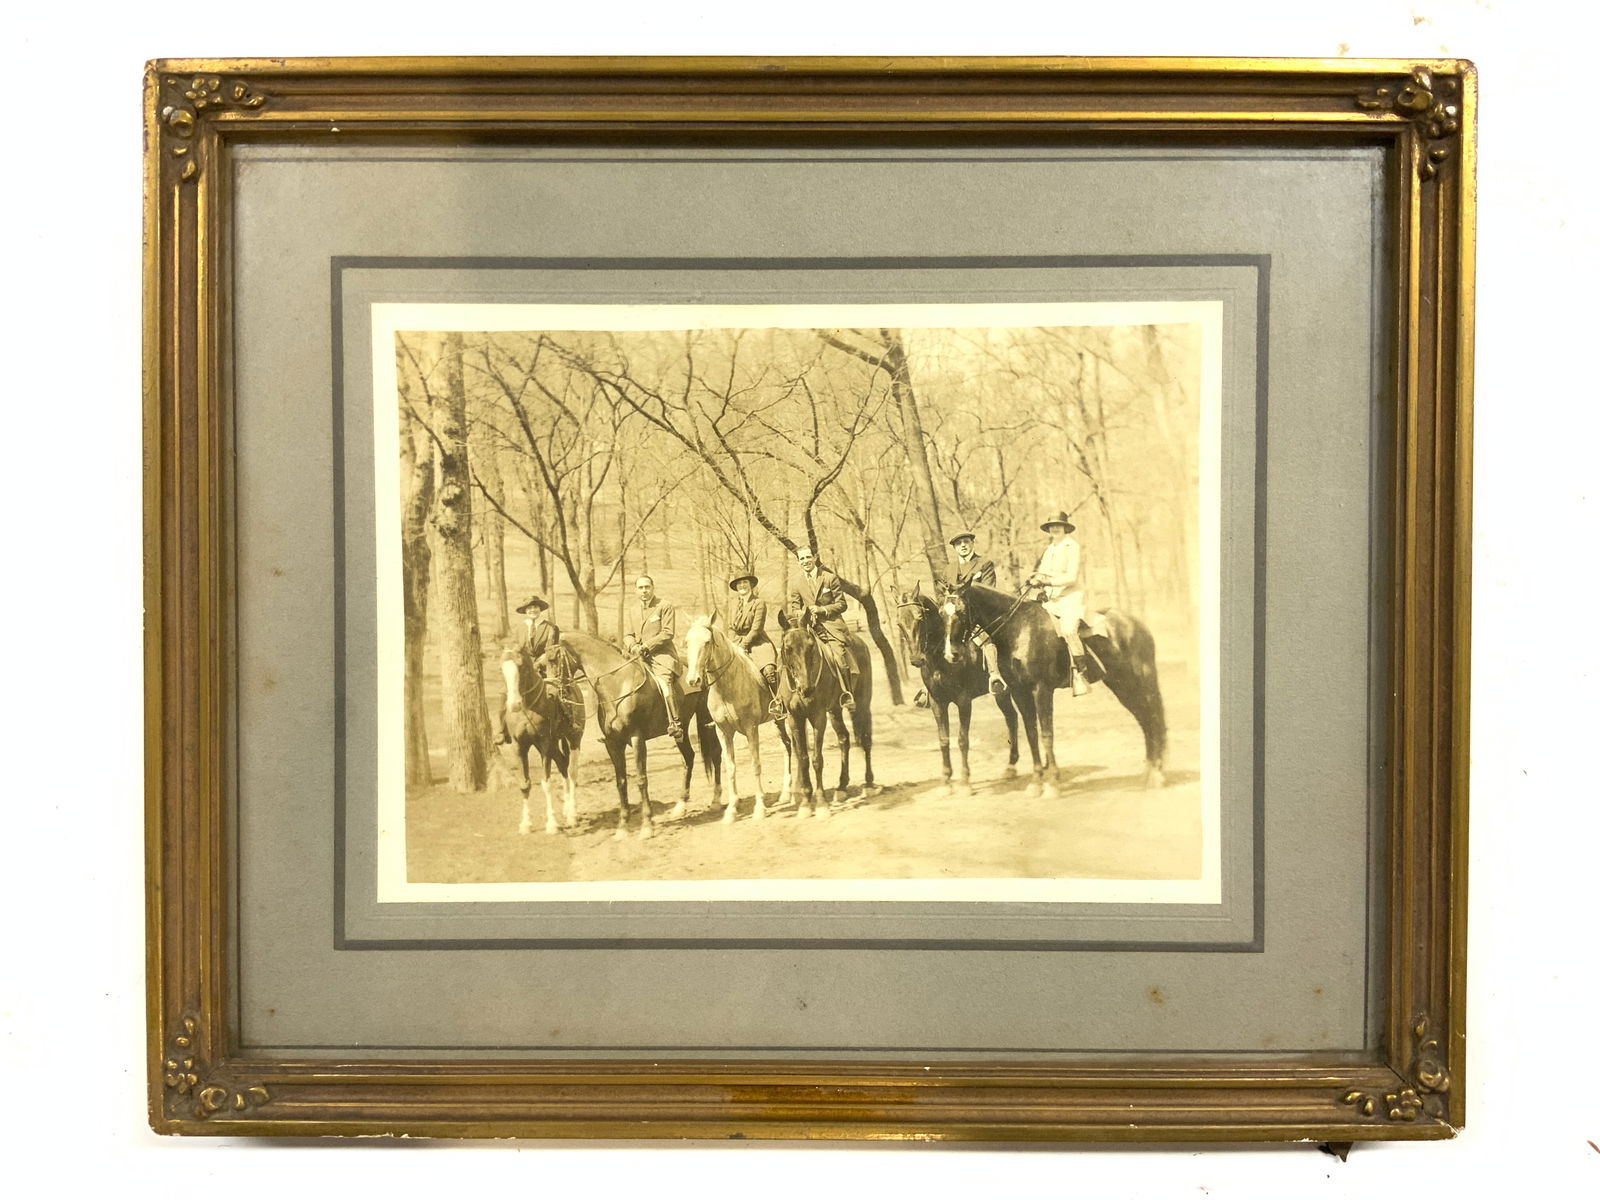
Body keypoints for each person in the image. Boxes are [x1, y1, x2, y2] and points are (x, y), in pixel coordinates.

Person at [1024, 511, 1093, 697]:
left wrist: (1047, 582)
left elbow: (1071, 578)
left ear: (1065, 528)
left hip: (1070, 598)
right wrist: (1035, 578)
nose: (1055, 528)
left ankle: (1081, 673)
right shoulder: (1049, 549)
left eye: (1058, 525)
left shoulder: (1073, 547)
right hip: (1051, 599)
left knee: (1069, 630)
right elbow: (1044, 573)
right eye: (1051, 526)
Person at [787, 545, 859, 709]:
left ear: (814, 557)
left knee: (840, 659)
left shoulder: (829, 578)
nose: (805, 561)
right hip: (808, 628)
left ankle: (847, 695)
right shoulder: (796, 583)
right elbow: (795, 607)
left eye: (808, 557)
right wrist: (802, 613)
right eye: (802, 558)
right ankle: (787, 698)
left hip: (831, 626)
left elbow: (842, 604)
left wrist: (822, 610)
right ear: (798, 562)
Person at [624, 574, 685, 739]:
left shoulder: (664, 606)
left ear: (653, 588)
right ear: (636, 590)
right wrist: (633, 646)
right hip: (638, 657)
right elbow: (628, 634)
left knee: (664, 683)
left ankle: (675, 723)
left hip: (661, 655)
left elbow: (667, 633)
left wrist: (646, 646)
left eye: (647, 587)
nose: (644, 591)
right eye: (640, 587)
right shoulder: (632, 610)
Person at [947, 531, 1005, 695]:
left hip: (976, 616)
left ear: (972, 543)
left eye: (966, 541)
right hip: (955, 617)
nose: (963, 545)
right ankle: (930, 685)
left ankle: (995, 676)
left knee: (986, 638)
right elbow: (944, 595)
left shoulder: (984, 564)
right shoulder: (949, 569)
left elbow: (988, 592)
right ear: (954, 548)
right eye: (958, 544)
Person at [497, 594, 560, 744]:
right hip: (523, 670)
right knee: (503, 693)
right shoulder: (520, 628)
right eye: (529, 608)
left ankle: (560, 725)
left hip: (545, 669)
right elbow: (514, 647)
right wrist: (513, 658)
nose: (533, 610)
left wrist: (540, 662)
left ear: (540, 609)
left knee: (555, 693)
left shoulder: (550, 628)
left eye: (535, 607)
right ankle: (502, 730)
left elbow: (552, 650)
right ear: (525, 611)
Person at [727, 569, 783, 717]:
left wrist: (743, 645)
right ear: (736, 587)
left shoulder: (759, 603)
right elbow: (731, 627)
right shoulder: (733, 604)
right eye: (739, 583)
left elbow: (756, 628)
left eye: (745, 582)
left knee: (769, 671)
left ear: (751, 584)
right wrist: (733, 644)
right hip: (736, 642)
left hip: (757, 642)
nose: (742, 586)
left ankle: (779, 703)